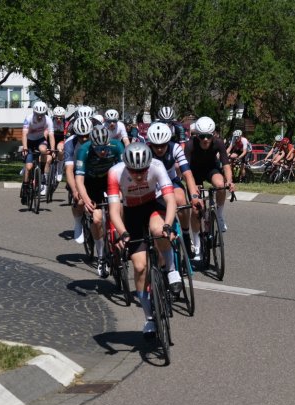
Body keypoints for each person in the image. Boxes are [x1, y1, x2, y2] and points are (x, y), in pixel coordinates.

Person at [108, 142, 178, 339]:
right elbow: (114, 211)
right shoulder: (115, 172)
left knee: (158, 230)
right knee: (139, 267)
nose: (138, 175)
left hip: (152, 204)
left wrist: (168, 225)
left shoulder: (156, 166)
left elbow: (171, 199)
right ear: (126, 166)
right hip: (131, 212)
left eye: (142, 170)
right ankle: (148, 318)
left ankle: (171, 270)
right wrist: (122, 233)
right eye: (134, 171)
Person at [74, 125, 124, 277]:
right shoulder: (84, 150)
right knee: (96, 219)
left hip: (110, 179)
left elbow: (125, 171)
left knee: (121, 205)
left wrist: (123, 192)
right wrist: (87, 200)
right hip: (91, 182)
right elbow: (79, 180)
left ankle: (121, 237)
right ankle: (101, 255)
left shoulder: (117, 146)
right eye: (99, 148)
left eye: (105, 148)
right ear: (92, 145)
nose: (103, 151)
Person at [185, 116, 234, 258]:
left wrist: (229, 181)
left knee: (221, 185)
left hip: (210, 170)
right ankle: (197, 245)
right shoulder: (190, 145)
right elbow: (186, 172)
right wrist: (194, 187)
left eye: (208, 136)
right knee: (195, 210)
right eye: (202, 137)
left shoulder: (218, 142)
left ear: (213, 135)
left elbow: (226, 165)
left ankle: (219, 215)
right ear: (197, 136)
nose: (205, 140)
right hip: (194, 173)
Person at [146, 122, 202, 244]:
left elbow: (187, 174)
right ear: (150, 144)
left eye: (163, 145)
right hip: (152, 183)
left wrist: (194, 196)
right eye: (156, 146)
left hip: (171, 180)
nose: (159, 149)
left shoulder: (175, 148)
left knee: (181, 200)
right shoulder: (145, 151)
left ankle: (186, 235)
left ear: (168, 142)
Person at [63, 117, 94, 243]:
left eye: (87, 135)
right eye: (81, 136)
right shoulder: (70, 143)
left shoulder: (96, 139)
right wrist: (75, 190)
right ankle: (78, 224)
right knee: (80, 201)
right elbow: (69, 170)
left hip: (91, 169)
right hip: (76, 171)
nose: (84, 139)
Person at [21, 102, 55, 195]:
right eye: (38, 114)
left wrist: (52, 149)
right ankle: (25, 185)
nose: (40, 116)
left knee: (44, 150)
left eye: (42, 114)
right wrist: (25, 147)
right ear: (34, 112)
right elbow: (24, 134)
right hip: (29, 141)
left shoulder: (48, 120)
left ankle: (43, 173)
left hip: (40, 140)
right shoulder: (28, 119)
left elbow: (51, 135)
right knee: (29, 167)